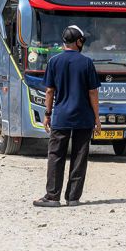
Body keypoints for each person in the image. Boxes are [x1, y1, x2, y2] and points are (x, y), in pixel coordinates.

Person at [33, 25, 101, 207]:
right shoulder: (87, 63)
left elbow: (49, 91)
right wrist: (97, 117)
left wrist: (47, 114)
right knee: (80, 156)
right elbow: (93, 92)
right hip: (84, 117)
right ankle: (73, 197)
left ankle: (52, 197)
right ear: (78, 41)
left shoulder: (54, 62)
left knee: (56, 155)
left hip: (61, 117)